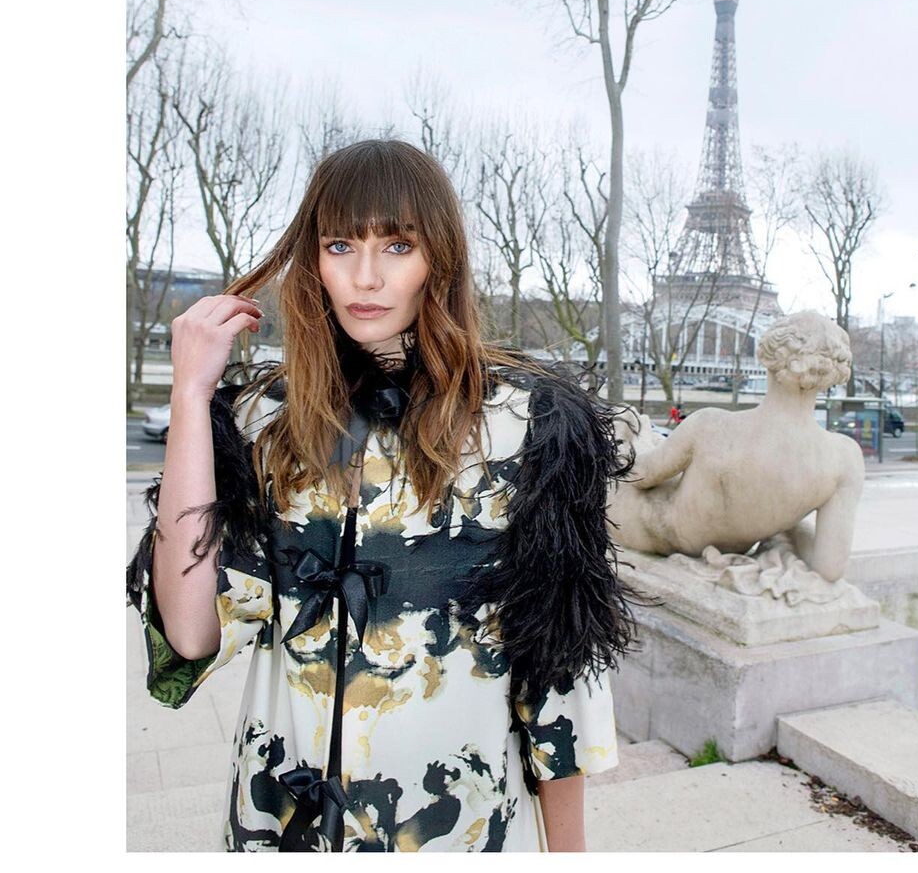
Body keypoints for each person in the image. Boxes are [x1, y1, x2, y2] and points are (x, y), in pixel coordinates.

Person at [126, 139, 646, 853]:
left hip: (462, 835)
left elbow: (557, 677)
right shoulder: (264, 424)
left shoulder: (528, 425)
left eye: (398, 246)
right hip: (281, 830)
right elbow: (191, 634)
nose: (365, 277)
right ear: (313, 260)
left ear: (440, 258)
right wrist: (191, 397)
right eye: (340, 245)